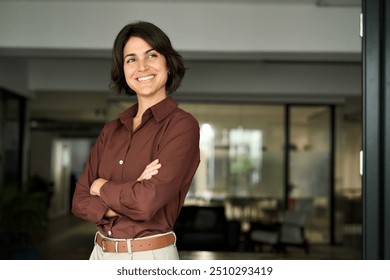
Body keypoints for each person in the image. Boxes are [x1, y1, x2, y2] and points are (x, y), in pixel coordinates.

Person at [71, 21, 200, 260]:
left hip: (147, 256)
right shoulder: (111, 130)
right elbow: (79, 201)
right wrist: (131, 191)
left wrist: (100, 187)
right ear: (123, 70)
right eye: (131, 59)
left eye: (151, 55)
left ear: (168, 64)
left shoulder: (182, 126)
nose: (142, 67)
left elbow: (146, 202)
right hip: (98, 254)